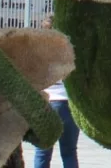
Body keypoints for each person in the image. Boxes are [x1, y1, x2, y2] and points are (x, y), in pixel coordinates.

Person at [33, 18, 79, 168]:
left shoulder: (37, 54)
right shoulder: (70, 51)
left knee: (42, 152)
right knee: (69, 153)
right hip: (68, 105)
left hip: (46, 105)